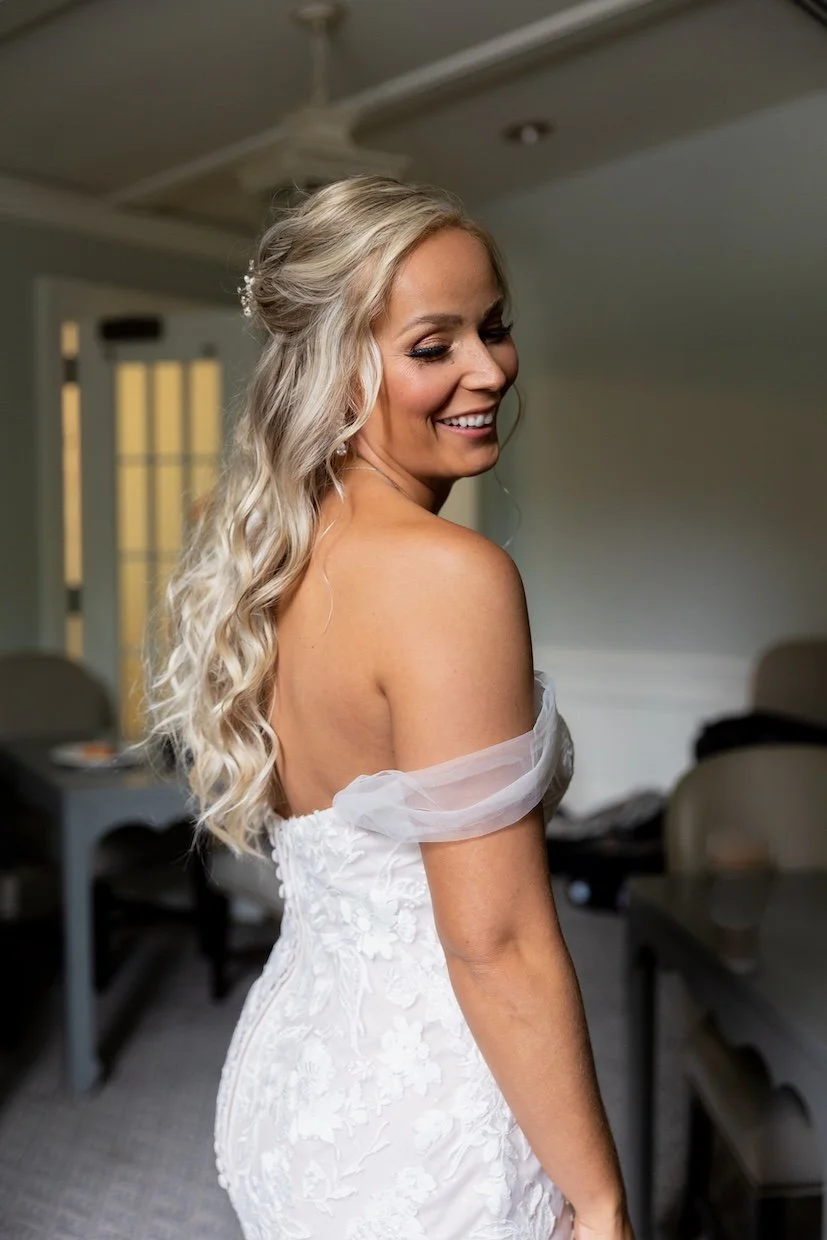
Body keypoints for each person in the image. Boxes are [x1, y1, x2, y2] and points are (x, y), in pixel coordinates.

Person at [149, 176, 633, 1240]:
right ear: (337, 370)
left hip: (289, 1090)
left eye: (494, 327)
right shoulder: (445, 577)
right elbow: (493, 939)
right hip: (427, 1124)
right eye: (433, 345)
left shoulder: (276, 561)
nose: (489, 367)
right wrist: (598, 1202)